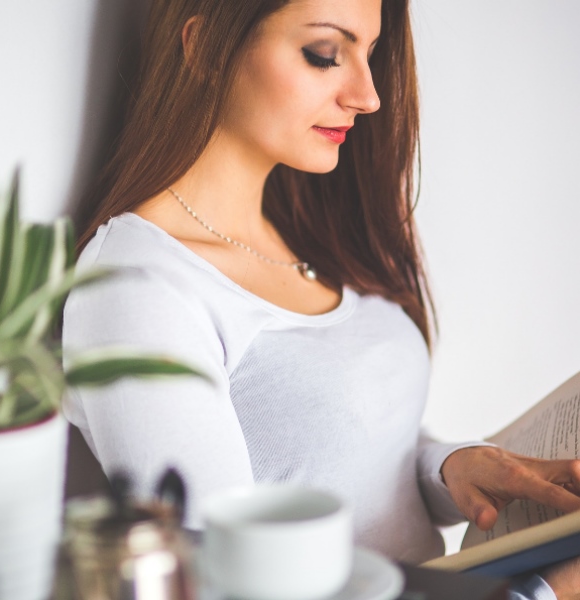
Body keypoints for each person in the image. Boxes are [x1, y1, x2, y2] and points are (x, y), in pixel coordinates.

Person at [62, 0, 580, 597]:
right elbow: (222, 581)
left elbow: (335, 450)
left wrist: (449, 465)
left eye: (372, 54)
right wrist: (544, 593)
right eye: (325, 55)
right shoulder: (140, 287)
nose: (368, 95)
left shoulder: (303, 231)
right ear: (204, 48)